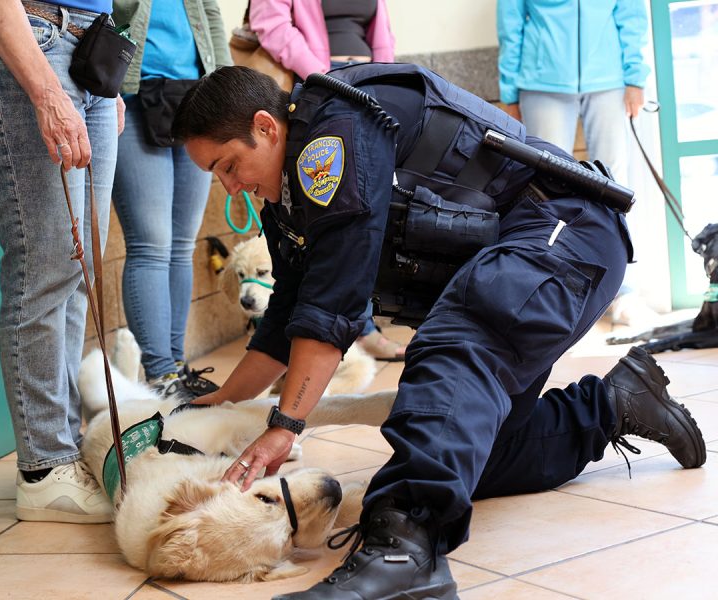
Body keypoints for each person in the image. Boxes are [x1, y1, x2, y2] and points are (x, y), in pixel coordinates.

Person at [172, 64, 706, 599]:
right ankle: (613, 405)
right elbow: (288, 313)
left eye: (229, 165)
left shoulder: (331, 137)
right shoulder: (285, 199)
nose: (230, 186)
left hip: (564, 227)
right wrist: (219, 404)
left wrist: (285, 424)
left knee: (456, 342)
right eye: (217, 175)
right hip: (523, 254)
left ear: (265, 127)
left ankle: (404, 549)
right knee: (476, 449)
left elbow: (332, 301)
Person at [0, 0, 124, 522]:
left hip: (90, 51)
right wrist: (47, 91)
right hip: (27, 39)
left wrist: (105, 83)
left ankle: (64, 448)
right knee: (45, 265)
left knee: (78, 265)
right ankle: (45, 468)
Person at [249, 0, 406, 361]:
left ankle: (360, 323)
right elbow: (269, 23)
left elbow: (381, 31)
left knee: (369, 206)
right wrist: (323, 76)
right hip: (322, 90)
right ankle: (354, 328)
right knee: (336, 213)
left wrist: (383, 76)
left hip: (366, 85)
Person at [497, 0, 656, 327]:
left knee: (616, 189)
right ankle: (550, 292)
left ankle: (621, 291)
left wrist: (635, 78)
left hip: (608, 81)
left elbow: (630, 15)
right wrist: (509, 93)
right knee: (545, 193)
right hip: (542, 83)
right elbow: (511, 24)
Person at [110, 0, 230, 399]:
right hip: (131, 92)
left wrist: (228, 88)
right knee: (151, 243)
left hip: (197, 97)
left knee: (181, 244)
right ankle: (160, 373)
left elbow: (209, 12)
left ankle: (176, 368)